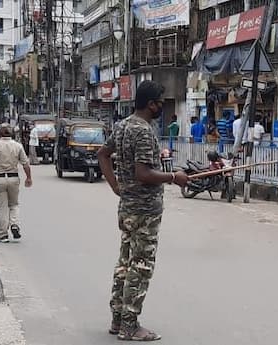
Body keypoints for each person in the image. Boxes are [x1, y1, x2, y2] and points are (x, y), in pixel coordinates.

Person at [97, 80, 189, 342]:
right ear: (151, 104)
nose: (162, 107)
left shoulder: (123, 126)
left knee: (125, 262)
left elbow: (103, 154)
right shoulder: (144, 131)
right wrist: (174, 177)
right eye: (161, 103)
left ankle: (117, 319)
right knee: (141, 266)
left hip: (127, 207)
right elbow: (144, 173)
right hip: (144, 211)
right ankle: (130, 325)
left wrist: (117, 186)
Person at [0, 126, 33, 243]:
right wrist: (28, 177)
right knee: (14, 204)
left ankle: (3, 235)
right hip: (13, 179)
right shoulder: (18, 146)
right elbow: (25, 163)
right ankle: (14, 224)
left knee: (2, 207)